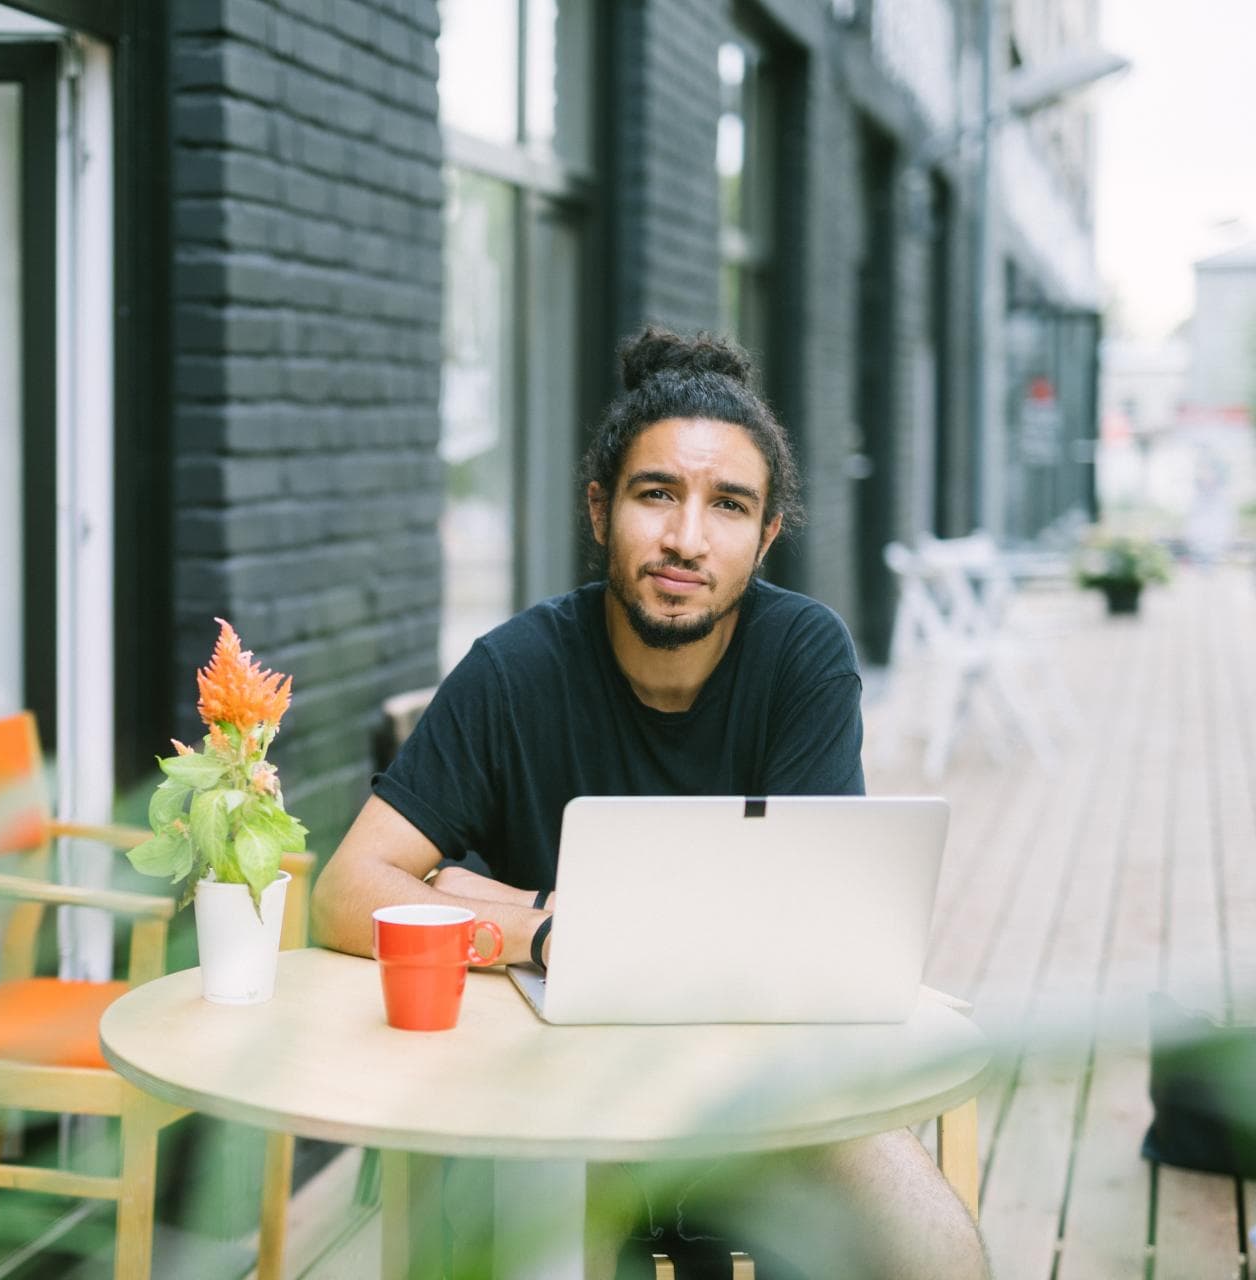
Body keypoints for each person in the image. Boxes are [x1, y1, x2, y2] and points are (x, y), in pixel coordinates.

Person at [311, 327, 988, 1279]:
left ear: (766, 536)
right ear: (601, 509)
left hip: (755, 1085)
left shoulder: (804, 656)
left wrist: (493, 899)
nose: (685, 538)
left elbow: (812, 921)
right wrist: (543, 931)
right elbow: (345, 891)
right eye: (656, 494)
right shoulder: (516, 668)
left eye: (728, 506)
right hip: (550, 1095)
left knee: (926, 1242)